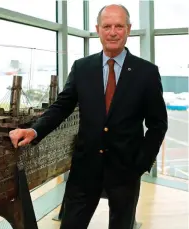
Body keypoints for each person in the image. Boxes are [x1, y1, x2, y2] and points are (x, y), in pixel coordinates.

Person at [9, 4, 168, 229]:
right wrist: (34, 130)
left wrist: (141, 164)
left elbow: (158, 124)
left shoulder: (147, 73)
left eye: (119, 26)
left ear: (128, 29)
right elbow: (62, 106)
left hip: (126, 172)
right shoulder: (82, 67)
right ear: (98, 29)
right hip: (85, 169)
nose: (113, 32)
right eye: (107, 26)